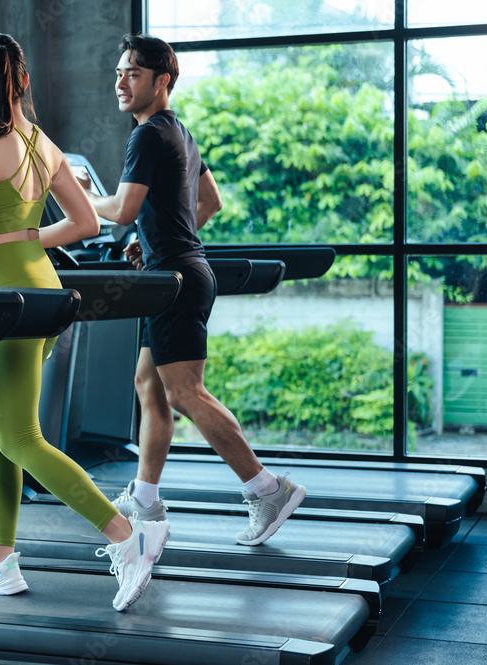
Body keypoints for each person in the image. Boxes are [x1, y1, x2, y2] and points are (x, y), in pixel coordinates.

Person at [0, 32, 169, 611]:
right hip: (45, 292)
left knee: (17, 434)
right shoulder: (41, 142)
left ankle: (127, 537)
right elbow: (86, 222)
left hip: (7, 299)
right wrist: (29, 235)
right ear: (24, 82)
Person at [78, 33, 306, 546]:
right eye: (118, 72)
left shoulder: (146, 135)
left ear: (162, 81)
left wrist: (76, 198)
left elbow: (122, 209)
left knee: (185, 392)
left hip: (175, 280)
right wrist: (157, 242)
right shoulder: (177, 129)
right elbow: (210, 200)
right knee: (149, 385)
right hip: (171, 271)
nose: (120, 82)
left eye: (132, 74)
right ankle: (144, 497)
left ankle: (267, 489)